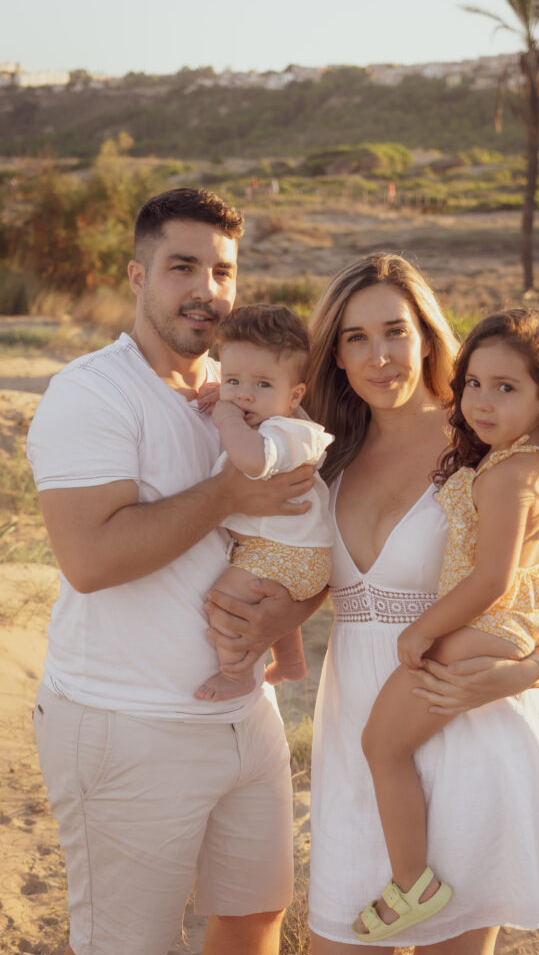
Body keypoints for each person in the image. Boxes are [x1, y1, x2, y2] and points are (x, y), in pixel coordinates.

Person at [26, 187, 324, 955]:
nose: (206, 290)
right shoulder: (91, 393)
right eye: (182, 266)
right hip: (126, 724)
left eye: (222, 271)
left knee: (256, 915)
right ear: (137, 274)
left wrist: (292, 615)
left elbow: (314, 529)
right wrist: (229, 488)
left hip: (242, 716)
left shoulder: (243, 399)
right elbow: (89, 561)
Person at [290, 253, 539, 954]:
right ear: (335, 355)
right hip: (359, 743)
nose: (379, 356)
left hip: (469, 727)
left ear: (427, 336)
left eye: (395, 331)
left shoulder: (484, 438)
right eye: (355, 337)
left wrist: (531, 670)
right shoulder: (324, 454)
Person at [194, 303, 333, 702]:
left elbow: (253, 461)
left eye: (263, 386)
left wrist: (225, 417)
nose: (244, 397)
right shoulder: (276, 417)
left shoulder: (284, 432)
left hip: (285, 553)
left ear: (295, 395)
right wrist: (223, 392)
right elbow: (245, 396)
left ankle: (237, 674)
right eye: (233, 380)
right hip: (290, 554)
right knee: (268, 606)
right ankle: (290, 662)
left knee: (223, 607)